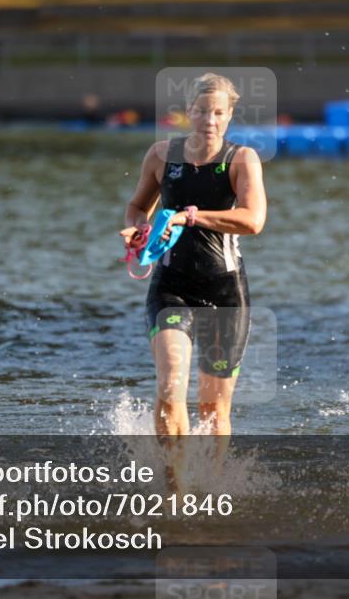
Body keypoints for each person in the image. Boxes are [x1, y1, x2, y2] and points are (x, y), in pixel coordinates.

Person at [120, 73, 267, 440]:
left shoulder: (242, 159)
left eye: (218, 112)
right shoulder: (160, 155)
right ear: (188, 112)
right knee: (171, 386)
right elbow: (138, 206)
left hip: (225, 291)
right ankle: (176, 492)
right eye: (202, 111)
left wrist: (192, 216)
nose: (210, 121)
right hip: (172, 286)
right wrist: (140, 229)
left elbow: (253, 220)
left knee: (213, 409)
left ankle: (212, 489)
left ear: (230, 115)